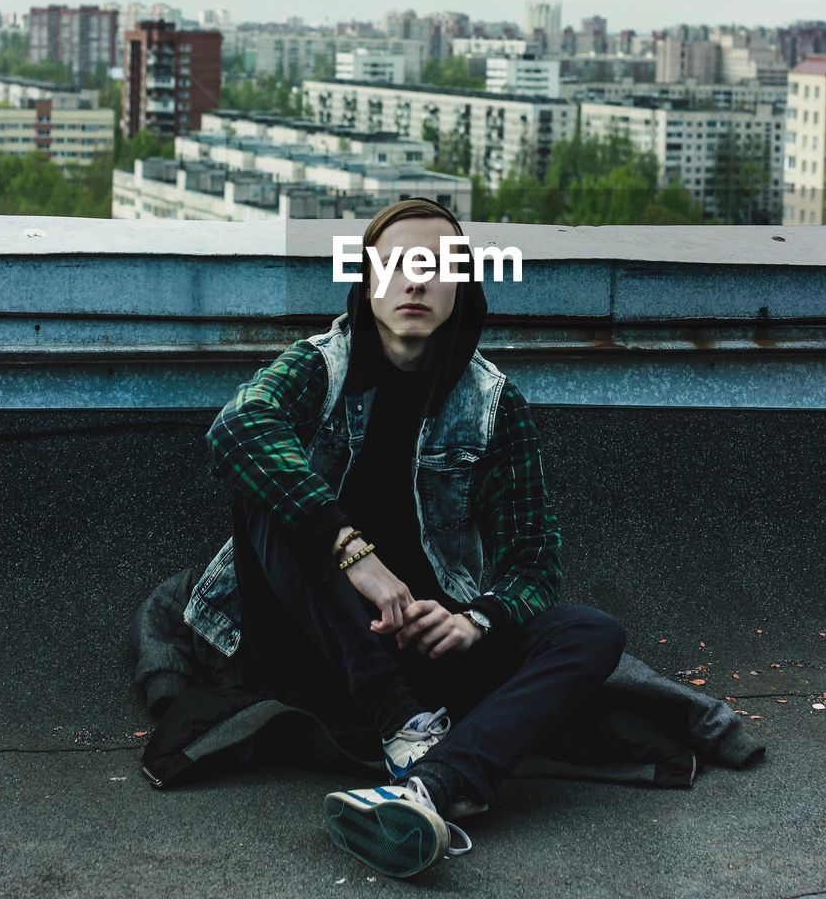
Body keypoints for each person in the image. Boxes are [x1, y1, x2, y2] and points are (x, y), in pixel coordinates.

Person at [206, 197, 627, 879]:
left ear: (460, 286)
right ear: (367, 278)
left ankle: (430, 785)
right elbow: (236, 429)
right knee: (268, 492)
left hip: (423, 648)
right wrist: (353, 553)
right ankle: (403, 728)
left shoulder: (492, 402)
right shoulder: (319, 367)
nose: (414, 280)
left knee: (592, 632)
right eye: (396, 262)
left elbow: (533, 559)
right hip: (311, 639)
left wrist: (474, 620)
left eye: (435, 266)